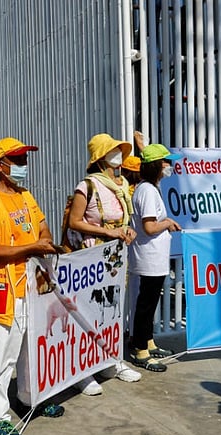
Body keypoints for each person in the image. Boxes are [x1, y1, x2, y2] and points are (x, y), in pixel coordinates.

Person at [0, 136, 63, 435]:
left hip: (31, 282)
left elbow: (43, 229)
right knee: (2, 355)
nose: (23, 165)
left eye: (25, 159)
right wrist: (31, 247)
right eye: (17, 160)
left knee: (31, 346)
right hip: (5, 285)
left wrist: (42, 241)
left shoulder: (26, 196)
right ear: (0, 165)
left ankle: (29, 398)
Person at [65, 133, 142, 395]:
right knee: (89, 311)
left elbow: (123, 220)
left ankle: (111, 361)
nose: (118, 155)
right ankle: (83, 371)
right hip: (92, 256)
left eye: (118, 150)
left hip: (116, 257)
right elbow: (74, 222)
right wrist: (107, 233)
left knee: (113, 311)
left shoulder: (120, 185)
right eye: (113, 151)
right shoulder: (87, 186)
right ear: (100, 157)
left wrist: (126, 231)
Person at [128, 144, 182, 372]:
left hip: (153, 257)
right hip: (149, 257)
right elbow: (149, 226)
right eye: (165, 162)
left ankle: (147, 342)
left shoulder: (149, 188)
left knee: (149, 303)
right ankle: (140, 350)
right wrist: (168, 223)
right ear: (156, 166)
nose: (169, 165)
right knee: (146, 304)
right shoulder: (148, 191)